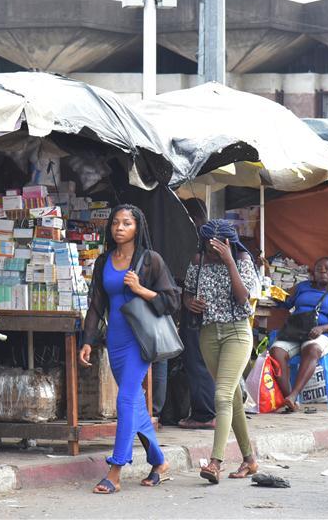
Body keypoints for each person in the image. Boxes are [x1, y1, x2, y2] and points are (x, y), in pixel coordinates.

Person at [78, 204, 180, 494]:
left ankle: (116, 470)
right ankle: (159, 461)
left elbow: (172, 301)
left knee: (124, 399)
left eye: (126, 223)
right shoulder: (103, 261)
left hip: (141, 341)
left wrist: (140, 289)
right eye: (115, 223)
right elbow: (97, 306)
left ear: (138, 228)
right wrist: (88, 341)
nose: (119, 228)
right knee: (134, 403)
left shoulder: (150, 261)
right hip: (116, 342)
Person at [183, 219, 259, 484]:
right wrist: (191, 303)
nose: (213, 251)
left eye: (219, 246)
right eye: (209, 245)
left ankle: (215, 462)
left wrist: (229, 262)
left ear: (228, 243)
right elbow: (187, 292)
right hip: (208, 334)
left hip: (236, 333)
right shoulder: (198, 260)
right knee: (233, 397)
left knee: (222, 395)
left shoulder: (242, 261)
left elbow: (243, 297)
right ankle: (249, 460)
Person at [269, 257, 328, 412]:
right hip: (296, 333)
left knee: (312, 350)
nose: (322, 271)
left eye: (327, 268)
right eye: (318, 269)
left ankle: (293, 395)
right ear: (313, 274)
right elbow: (286, 302)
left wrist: (323, 328)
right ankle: (289, 398)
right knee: (276, 351)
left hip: (321, 335)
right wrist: (269, 290)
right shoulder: (302, 287)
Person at [176, 198, 216, 430]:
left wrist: (187, 298)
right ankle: (209, 411)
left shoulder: (197, 242)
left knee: (197, 362)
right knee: (207, 363)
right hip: (212, 314)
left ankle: (204, 414)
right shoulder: (210, 238)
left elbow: (189, 282)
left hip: (199, 314)